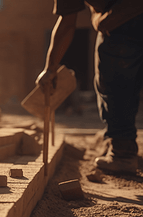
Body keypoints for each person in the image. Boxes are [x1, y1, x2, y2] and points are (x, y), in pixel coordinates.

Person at [37, 0, 143, 173]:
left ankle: (123, 154)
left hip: (122, 20)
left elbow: (67, 23)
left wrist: (50, 68)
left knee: (117, 86)